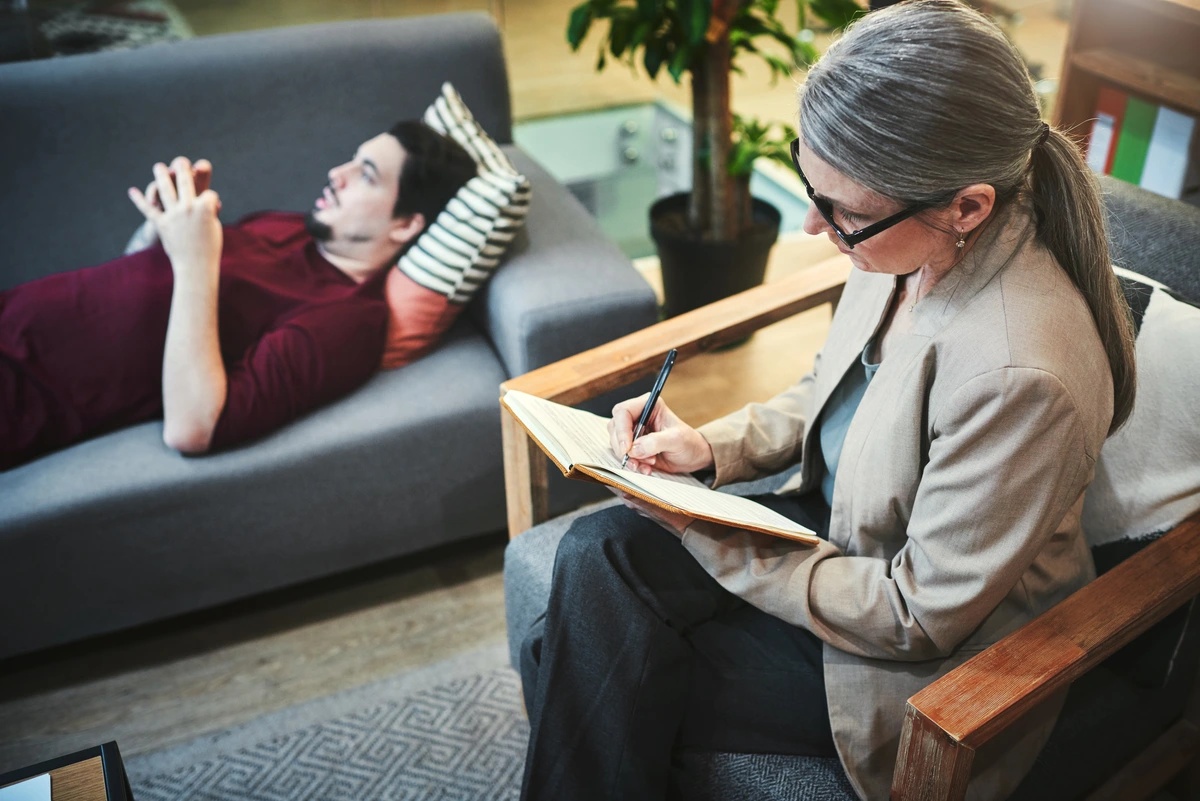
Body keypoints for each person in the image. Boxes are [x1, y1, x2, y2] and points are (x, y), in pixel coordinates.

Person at [516, 2, 1137, 800]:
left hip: (912, 655)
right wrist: (712, 449)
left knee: (569, 656)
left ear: (969, 206)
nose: (814, 225)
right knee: (596, 555)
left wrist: (705, 534)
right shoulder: (910, 240)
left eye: (840, 211)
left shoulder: (1022, 373)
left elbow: (918, 614)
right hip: (837, 534)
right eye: (814, 187)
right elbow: (833, 386)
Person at [0, 120, 478, 470]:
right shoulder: (288, 227)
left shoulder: (348, 320)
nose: (337, 172)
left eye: (366, 174)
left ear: (405, 224)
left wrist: (194, 258)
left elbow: (195, 428)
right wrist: (160, 230)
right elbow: (137, 283)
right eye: (351, 159)